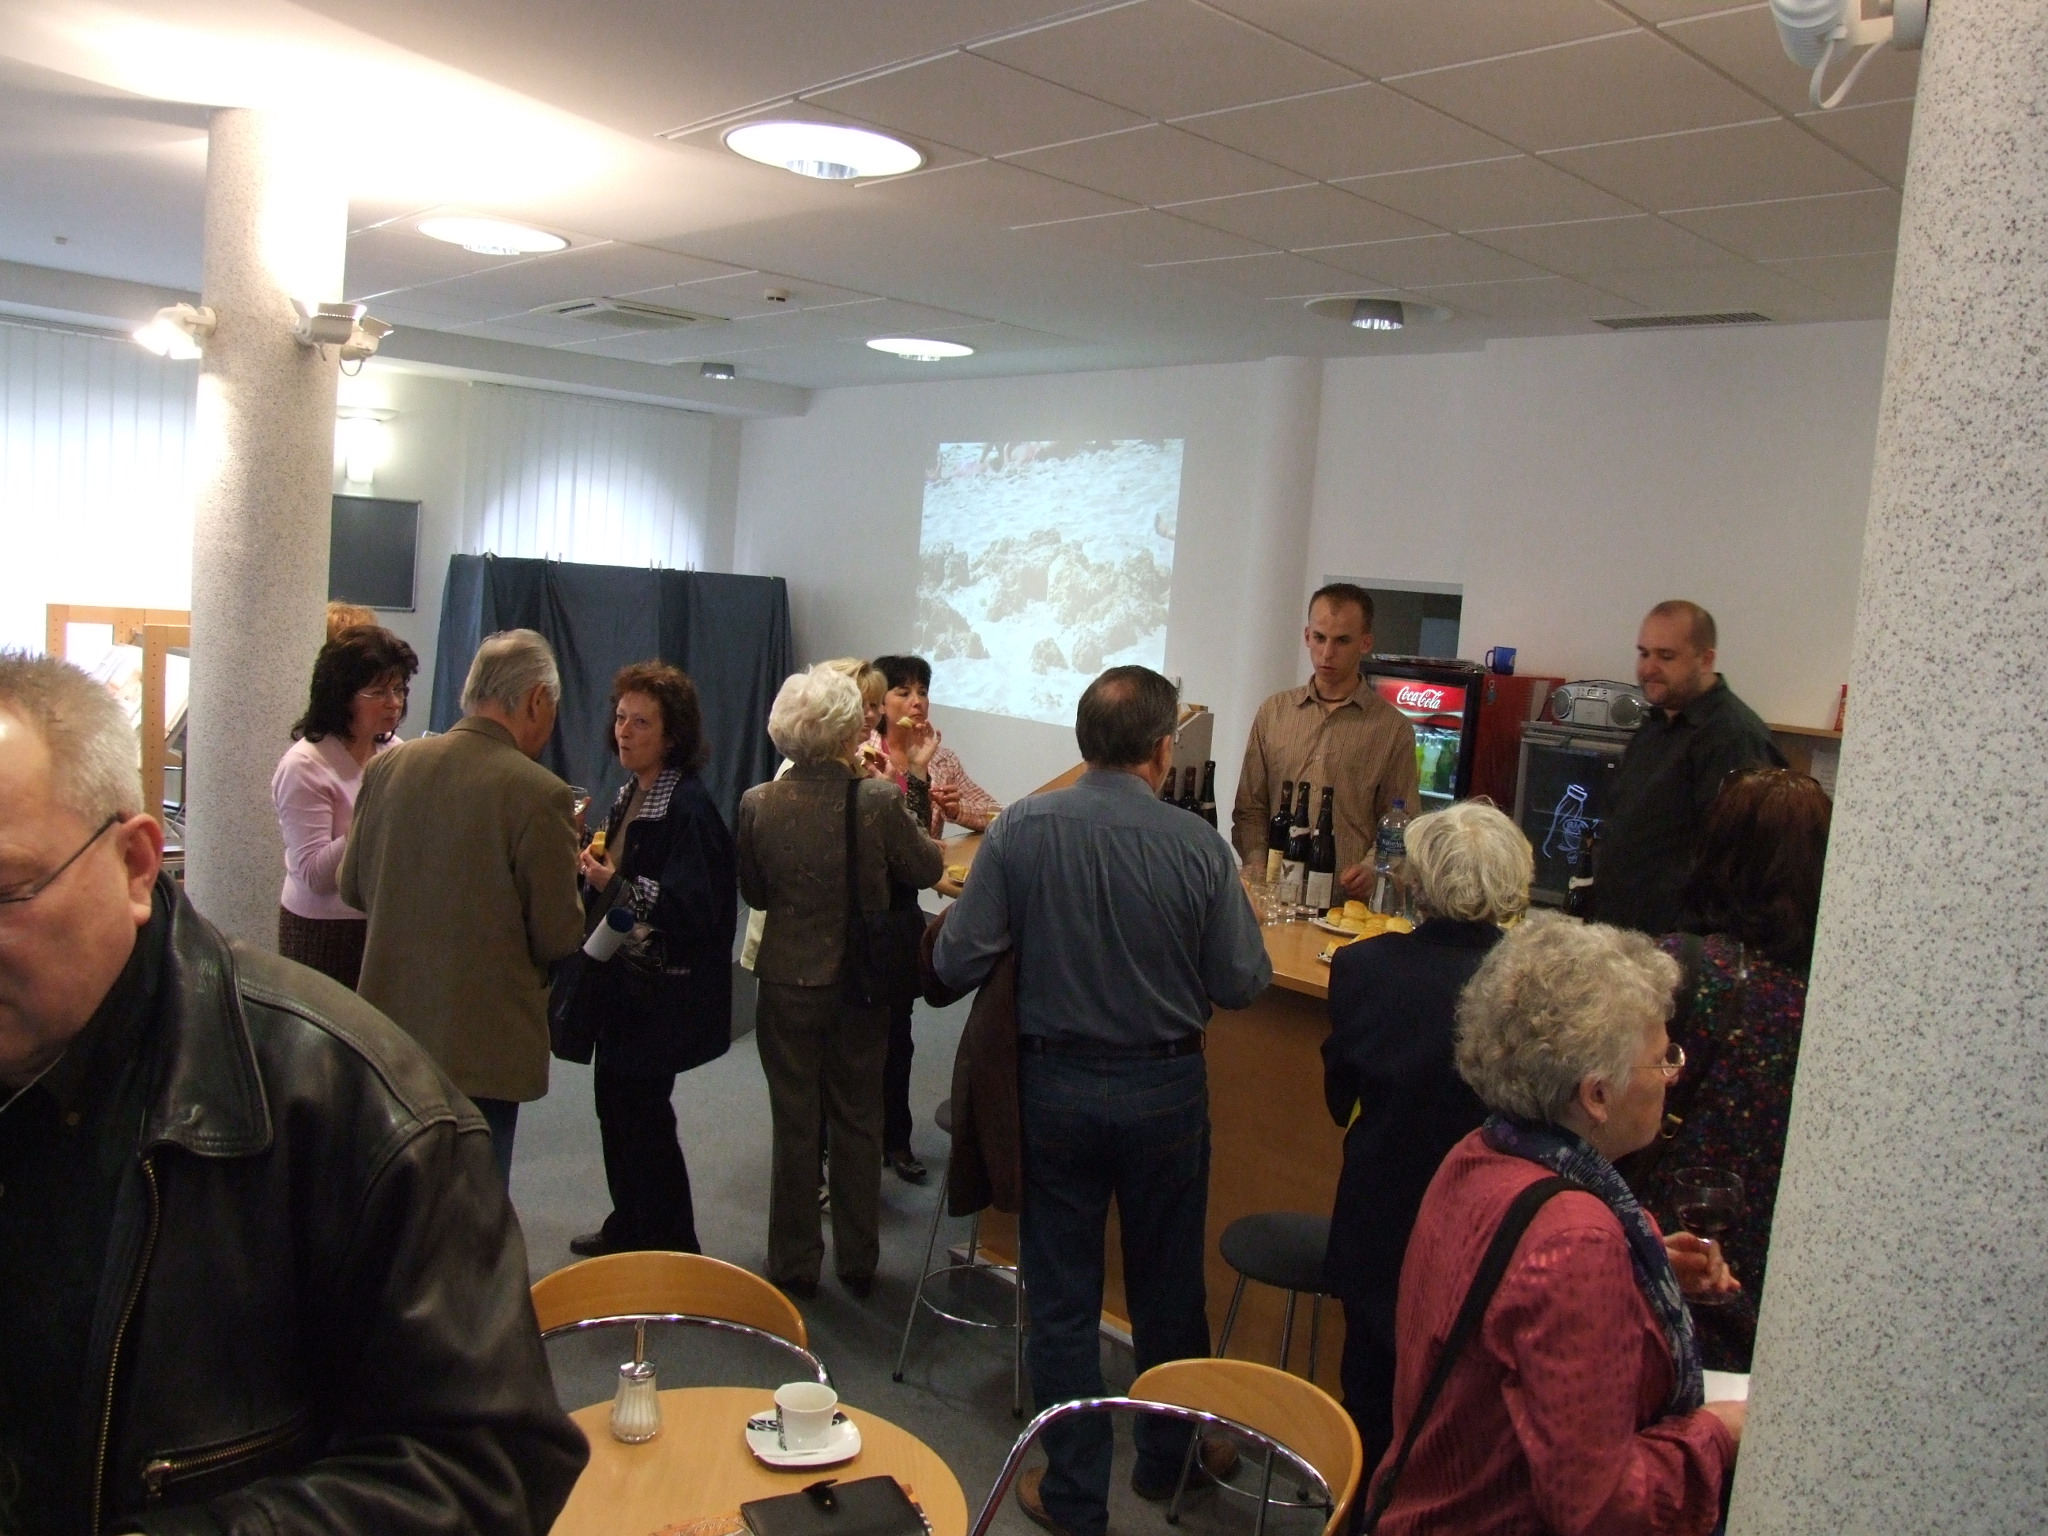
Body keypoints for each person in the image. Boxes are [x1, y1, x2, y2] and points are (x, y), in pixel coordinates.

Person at [0, 652, 586, 1535]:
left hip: (387, 1002)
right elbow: (555, 930)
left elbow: (487, 1464)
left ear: (134, 864)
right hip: (464, 1009)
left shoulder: (362, 1114)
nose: (391, 702)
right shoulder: (521, 791)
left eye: (7, 893)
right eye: (380, 687)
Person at [933, 666, 1273, 1536]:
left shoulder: (1021, 829)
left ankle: (1075, 1491)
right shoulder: (1201, 849)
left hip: (1053, 1089)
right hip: (1167, 1092)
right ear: (1164, 751)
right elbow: (1242, 982)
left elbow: (954, 960)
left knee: (1061, 1294)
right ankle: (1167, 1461)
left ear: (1083, 741)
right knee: (1169, 1289)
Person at [1368, 914, 1743, 1535]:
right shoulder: (1576, 1238)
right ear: (1597, 1096)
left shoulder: (1480, 1152)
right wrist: (1717, 1433)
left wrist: (1638, 1276)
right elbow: (1600, 1508)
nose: (1674, 1074)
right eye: (1662, 1059)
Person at [1320, 799, 1531, 1472]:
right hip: (1489, 1236)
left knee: (1369, 1407)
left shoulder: (1362, 967)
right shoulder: (1531, 989)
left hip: (1378, 1224)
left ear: (1412, 879)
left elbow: (1339, 1100)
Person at [339, 629, 584, 1186]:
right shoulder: (540, 793)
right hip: (484, 1043)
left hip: (390, 1025)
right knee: (473, 1203)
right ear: (537, 700)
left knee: (398, 1194)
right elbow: (557, 934)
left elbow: (350, 887)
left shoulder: (388, 768)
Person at [737, 664, 944, 1298]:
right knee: (858, 1118)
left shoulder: (757, 803)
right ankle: (858, 1258)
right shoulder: (876, 799)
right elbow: (926, 867)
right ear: (848, 726)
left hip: (785, 984)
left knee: (794, 1122)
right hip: (859, 984)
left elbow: (755, 892)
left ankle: (793, 1260)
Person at [1631, 767, 1831, 1371]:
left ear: (1720, 856)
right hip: (1785, 1275)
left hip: (1668, 1257)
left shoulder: (1681, 967)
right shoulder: (1842, 995)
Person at [565, 662, 738, 1258]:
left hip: (658, 995)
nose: (625, 731)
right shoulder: (628, 793)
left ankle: (672, 1249)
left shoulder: (688, 807)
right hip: (622, 988)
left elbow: (695, 909)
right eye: (620, 718)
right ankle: (630, 1227)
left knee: (644, 1121)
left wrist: (615, 884)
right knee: (615, 1111)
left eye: (641, 722)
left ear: (672, 736)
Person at [870, 653, 1001, 1183]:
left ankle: (895, 1140)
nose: (917, 701)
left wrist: (956, 807)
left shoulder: (939, 758)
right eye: (903, 691)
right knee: (858, 1040)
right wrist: (914, 781)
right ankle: (844, 1147)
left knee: (899, 1035)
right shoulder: (862, 755)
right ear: (879, 703)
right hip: (866, 912)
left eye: (922, 690)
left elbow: (997, 813)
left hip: (904, 913)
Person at [1596, 600, 1784, 936]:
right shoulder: (1655, 725)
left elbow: (1739, 861)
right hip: (1621, 932)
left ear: (1706, 659)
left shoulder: (1732, 737)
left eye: (1666, 656)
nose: (1649, 668)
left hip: (1678, 943)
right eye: (1644, 653)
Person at [1231, 584, 1419, 899]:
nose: (1327, 653)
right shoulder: (1274, 712)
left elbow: (1403, 819)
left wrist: (1372, 868)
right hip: (1273, 895)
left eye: (1342, 641)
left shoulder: (1392, 729)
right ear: (1307, 636)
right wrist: (1256, 860)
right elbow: (1250, 806)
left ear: (1365, 642)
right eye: (1319, 638)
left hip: (1345, 904)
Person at [270, 625, 418, 988]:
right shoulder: (305, 765)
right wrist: (369, 818)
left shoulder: (393, 750)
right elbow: (314, 876)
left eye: (398, 689)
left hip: (378, 921)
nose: (394, 702)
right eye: (378, 692)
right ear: (341, 696)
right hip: (322, 930)